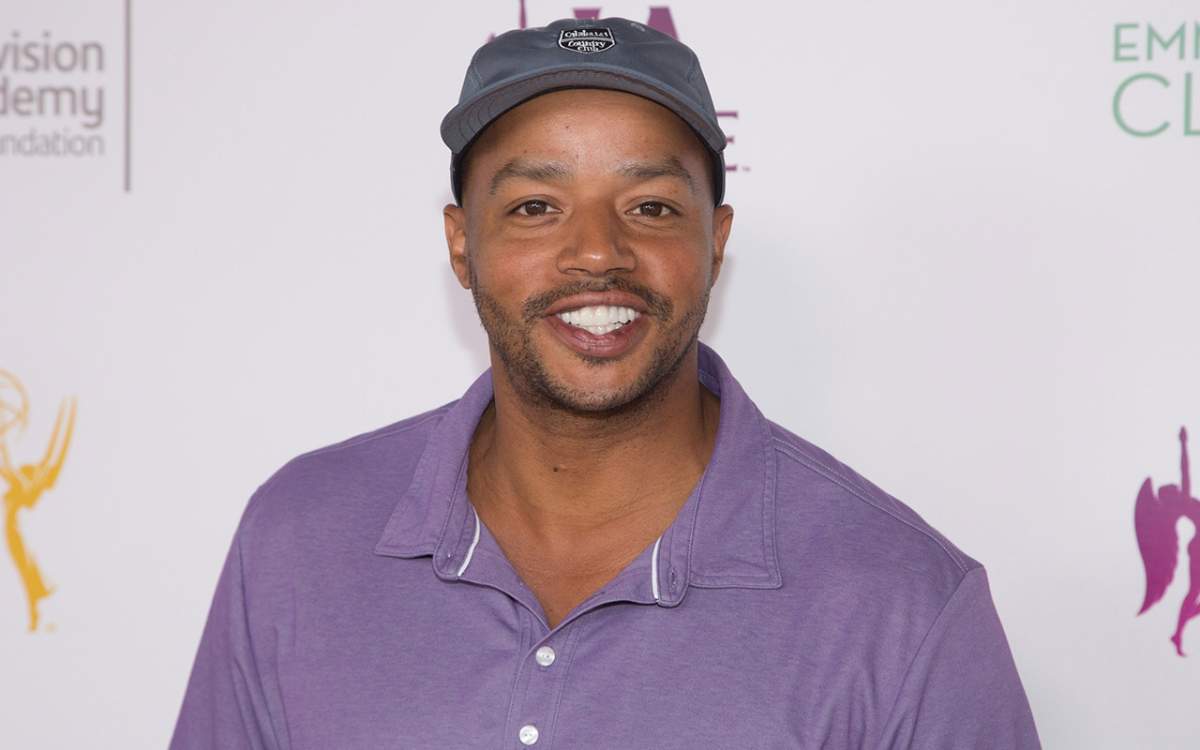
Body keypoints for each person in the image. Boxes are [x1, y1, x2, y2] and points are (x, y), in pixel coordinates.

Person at [170, 16, 1041, 748]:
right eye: (535, 207)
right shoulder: (297, 539)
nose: (597, 252)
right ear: (461, 244)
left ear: (716, 240)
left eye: (651, 207)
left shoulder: (904, 604)